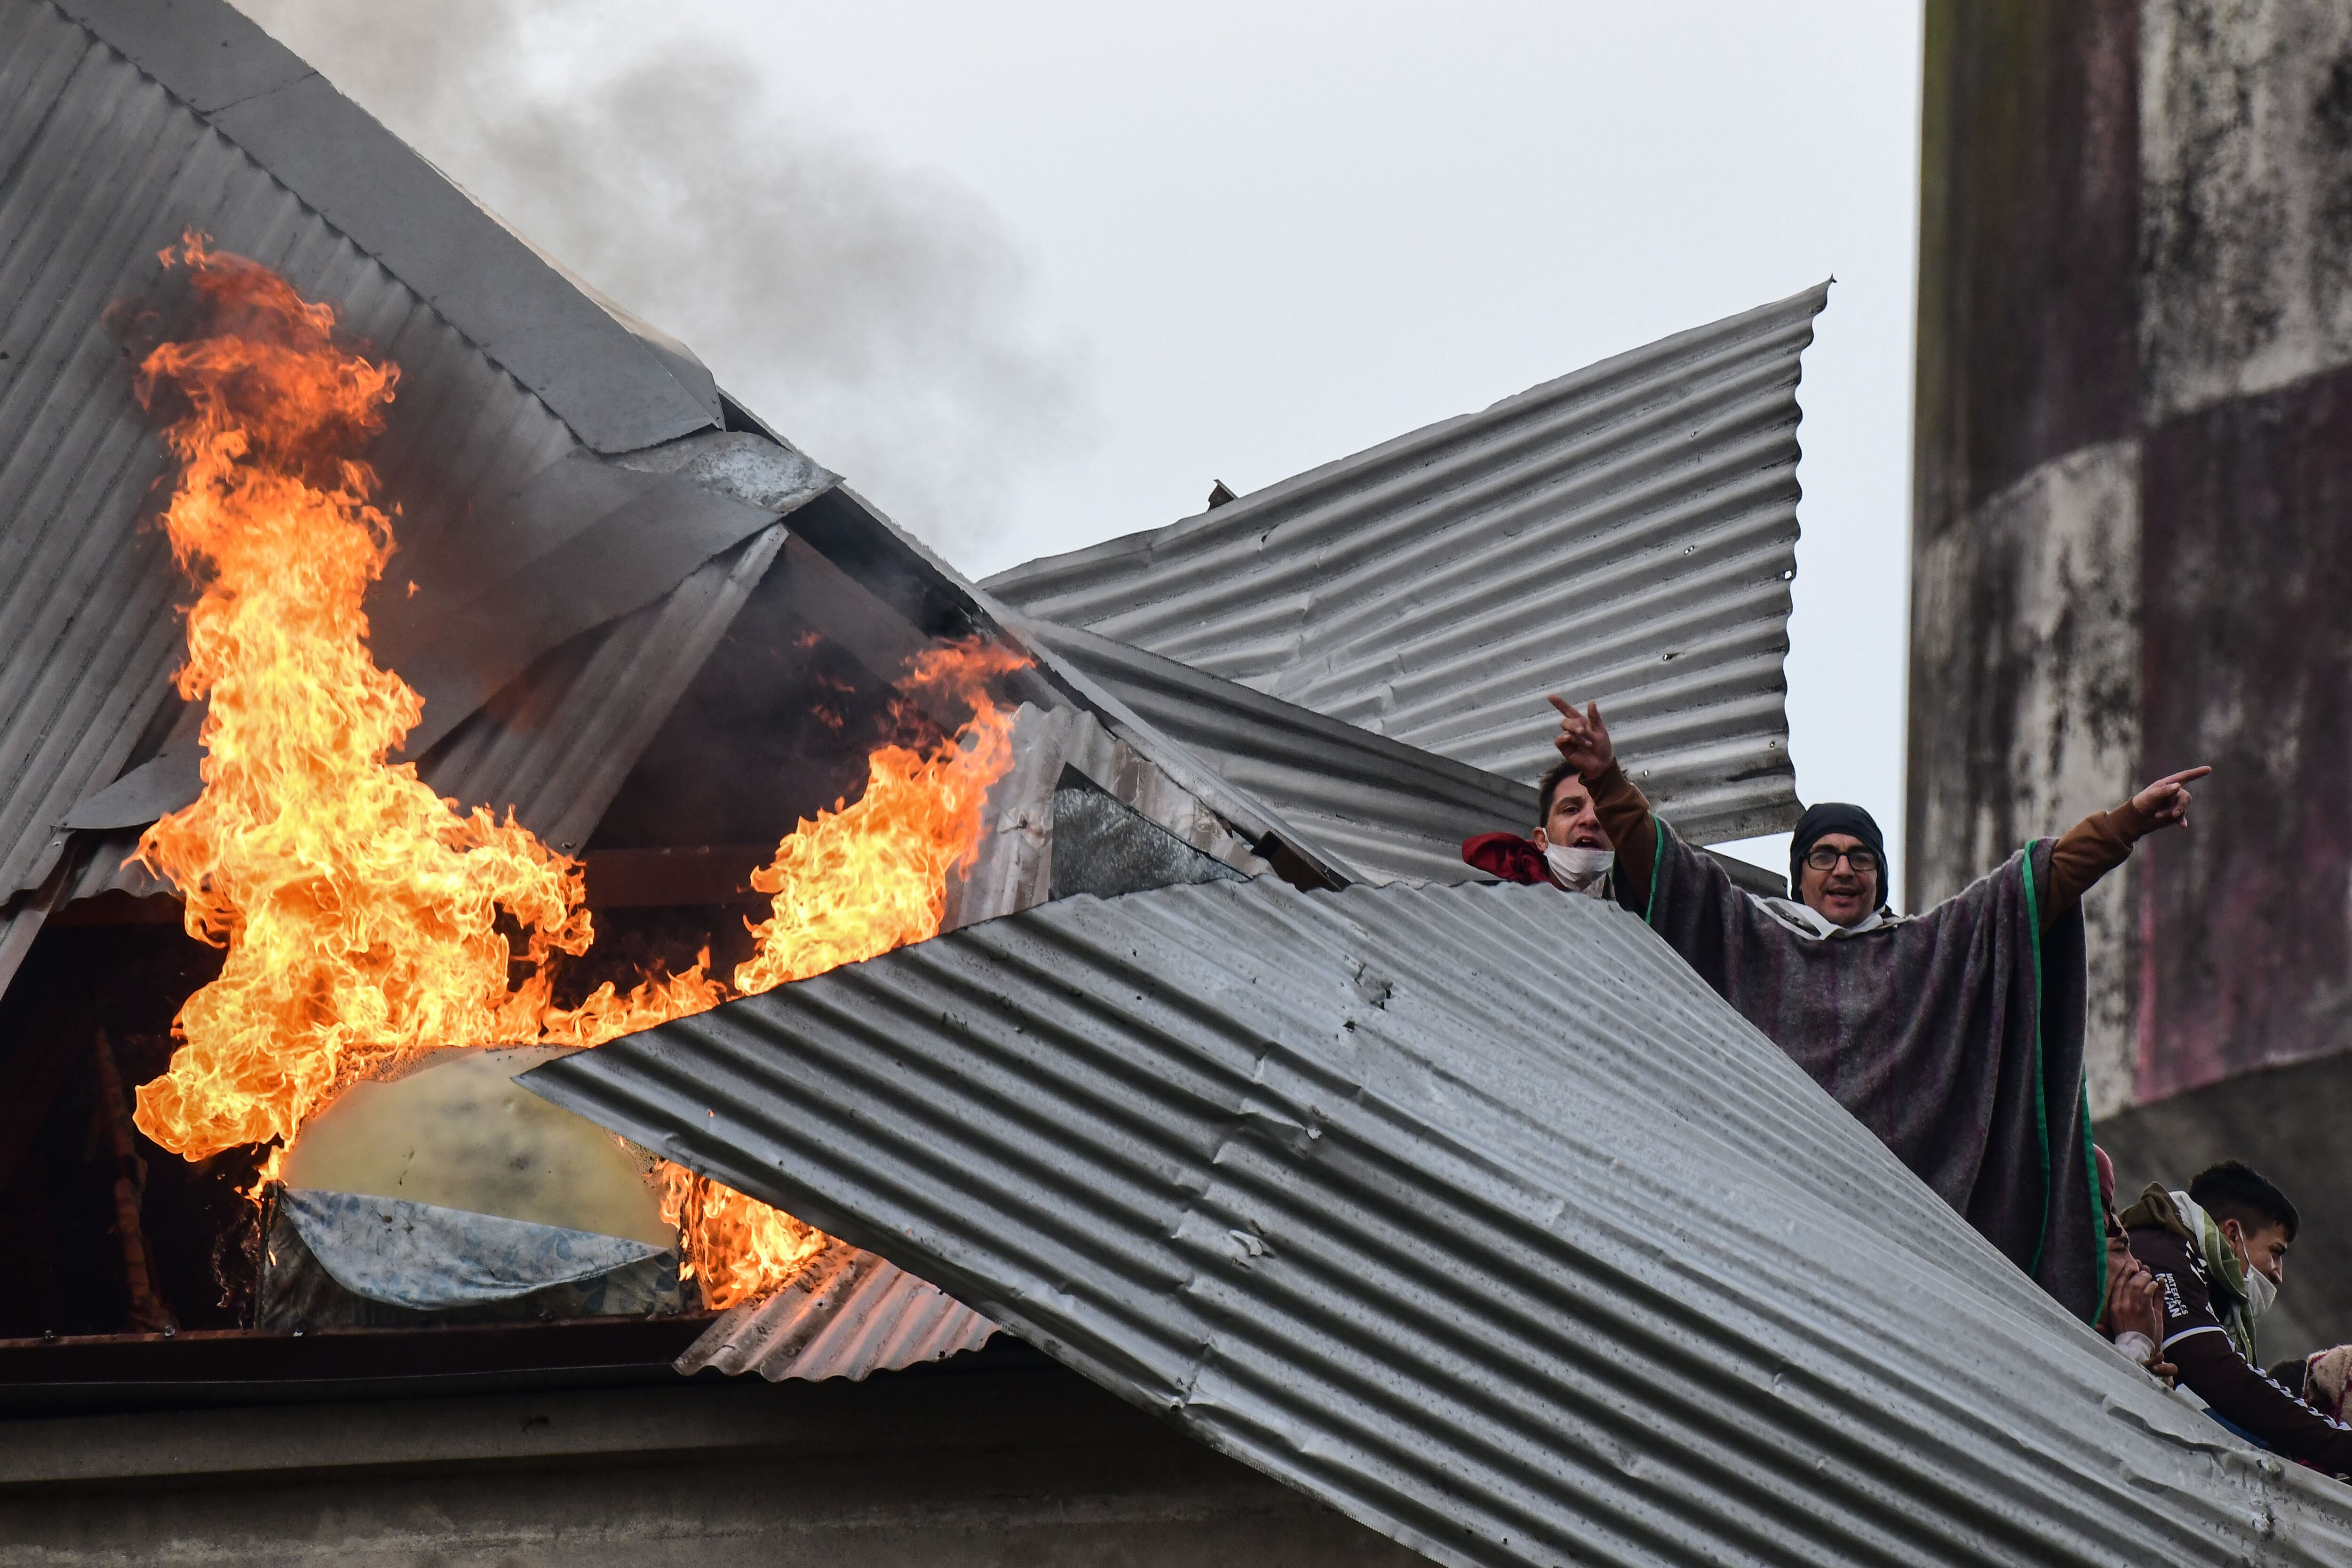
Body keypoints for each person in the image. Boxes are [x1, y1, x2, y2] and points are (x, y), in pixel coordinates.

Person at [1547, 694, 2209, 1321]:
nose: (1843, 870)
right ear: (1798, 873)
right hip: (1773, 1221)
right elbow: (1668, 870)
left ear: (1880, 877)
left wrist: (2125, 823)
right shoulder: (1755, 937)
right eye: (1825, 856)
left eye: (1861, 857)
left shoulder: (1924, 950)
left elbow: (2034, 887)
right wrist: (1605, 780)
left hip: (1905, 1247)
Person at [2120, 1161, 2352, 1477]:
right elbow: (2224, 1378)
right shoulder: (2161, 1251)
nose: (2278, 1274)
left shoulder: (2210, 1285)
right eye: (2275, 1252)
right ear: (2232, 1233)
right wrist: (2341, 1444)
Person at [1460, 759, 1616, 897]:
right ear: (1543, 840)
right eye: (1571, 810)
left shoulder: (1637, 917)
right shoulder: (1487, 907)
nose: (1591, 819)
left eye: (1604, 811)